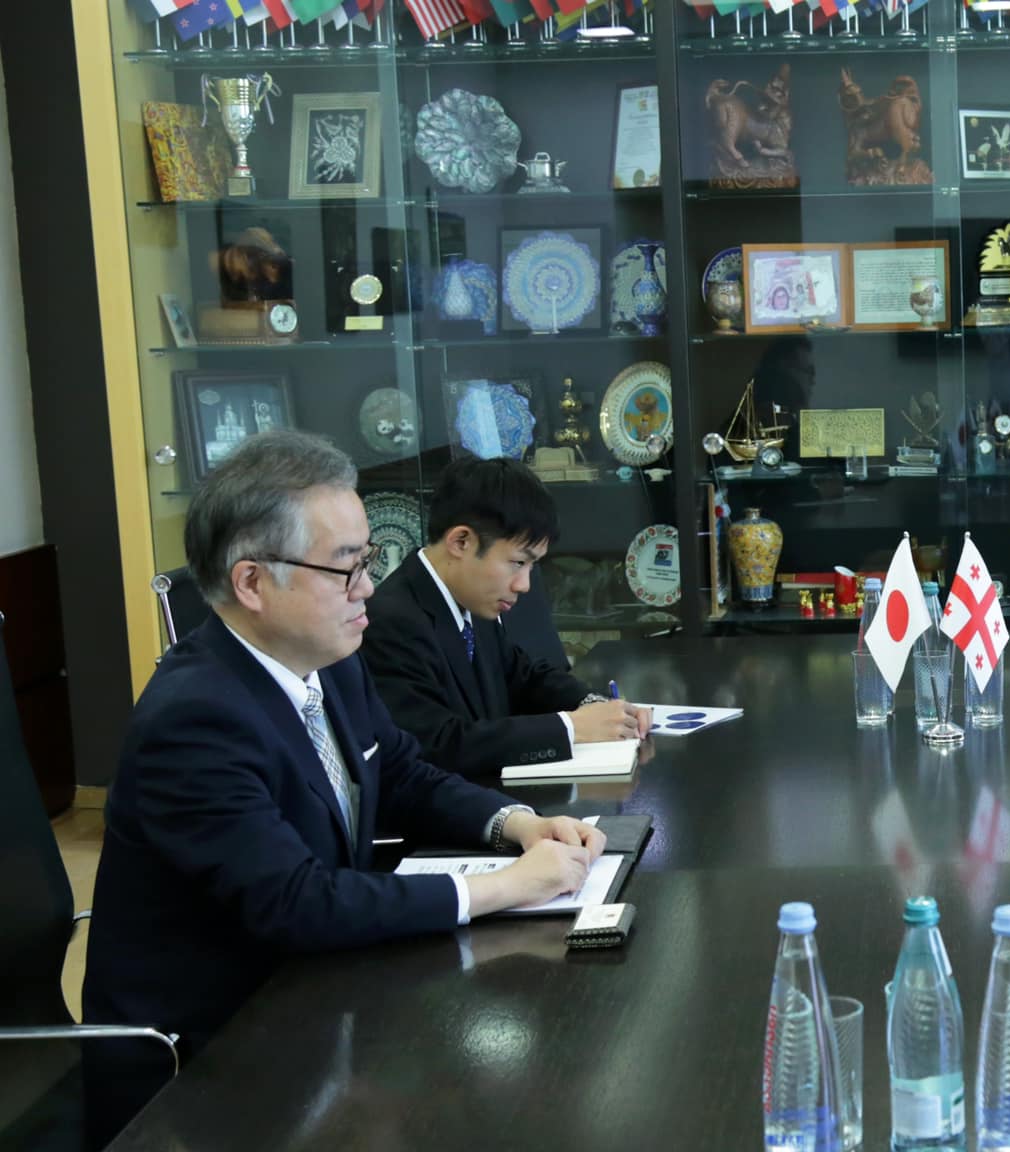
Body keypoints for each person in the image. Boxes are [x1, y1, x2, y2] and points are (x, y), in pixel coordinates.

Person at [83, 431, 605, 1143]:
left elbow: (401, 770)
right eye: (345, 568)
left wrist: (515, 823)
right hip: (209, 1063)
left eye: (368, 562)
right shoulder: (195, 719)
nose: (367, 589)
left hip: (315, 995)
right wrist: (506, 887)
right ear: (252, 583)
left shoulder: (328, 658)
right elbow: (297, 902)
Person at [361, 456, 648, 778]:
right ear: (461, 542)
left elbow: (523, 678)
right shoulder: (390, 622)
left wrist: (597, 705)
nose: (524, 585)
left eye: (532, 566)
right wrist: (571, 727)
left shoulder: (472, 598)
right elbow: (438, 744)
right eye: (517, 563)